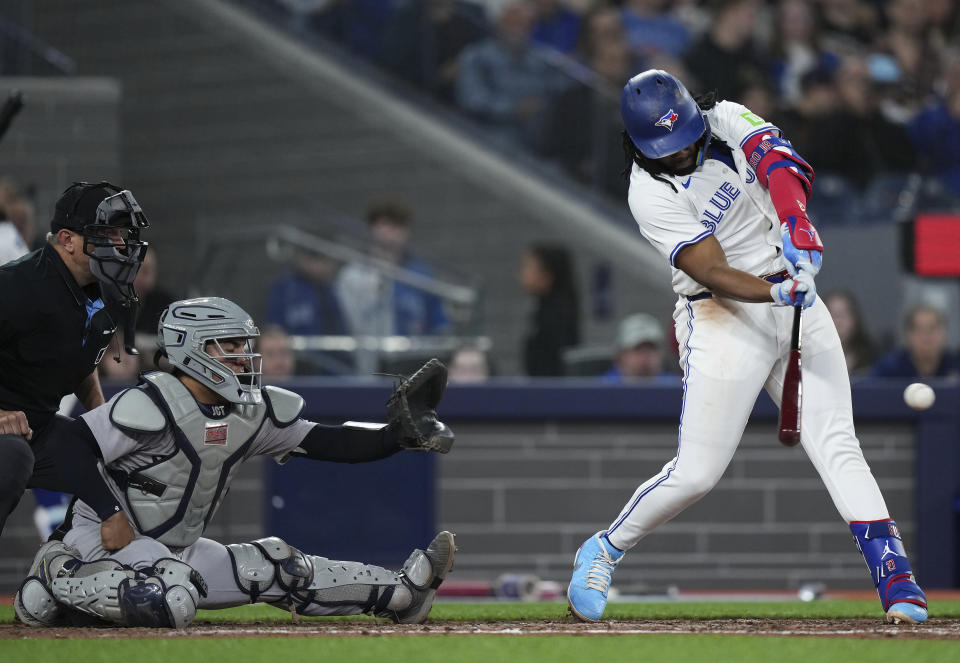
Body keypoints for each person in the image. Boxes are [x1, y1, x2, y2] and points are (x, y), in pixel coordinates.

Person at [566, 69, 927, 626]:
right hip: (722, 312)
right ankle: (604, 549)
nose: (683, 151)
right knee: (697, 473)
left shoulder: (725, 118)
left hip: (794, 295)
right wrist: (777, 289)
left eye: (686, 136)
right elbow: (712, 269)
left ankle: (896, 579)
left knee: (836, 441)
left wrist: (796, 224)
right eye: (669, 147)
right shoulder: (648, 192)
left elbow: (780, 163)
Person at [14, 297, 457, 629]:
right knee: (171, 595)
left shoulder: (252, 411)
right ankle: (58, 572)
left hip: (177, 550)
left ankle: (405, 594)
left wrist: (395, 437)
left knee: (278, 566)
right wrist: (108, 512)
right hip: (99, 541)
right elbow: (65, 448)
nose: (244, 356)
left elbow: (330, 443)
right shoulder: (149, 404)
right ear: (191, 349)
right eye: (230, 345)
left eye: (245, 344)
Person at [0, 181, 150, 551]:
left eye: (122, 232)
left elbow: (80, 358)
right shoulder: (18, 287)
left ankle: (79, 569)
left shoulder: (99, 288)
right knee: (12, 457)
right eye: (105, 233)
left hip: (37, 428)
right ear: (67, 240)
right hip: (9, 434)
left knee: (124, 457)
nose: (119, 244)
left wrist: (102, 420)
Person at [336, 201, 449, 339]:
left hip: (413, 355)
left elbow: (437, 322)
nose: (391, 232)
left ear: (406, 231)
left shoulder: (421, 274)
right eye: (386, 224)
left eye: (398, 226)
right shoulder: (352, 275)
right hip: (365, 354)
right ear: (371, 229)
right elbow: (343, 324)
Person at [519, 243, 580, 376]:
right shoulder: (540, 309)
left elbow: (556, 363)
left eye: (529, 267)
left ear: (547, 276)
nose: (523, 274)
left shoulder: (557, 316)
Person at [870, 304, 960, 378]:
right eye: (919, 330)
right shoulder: (888, 368)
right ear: (908, 335)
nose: (926, 337)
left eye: (932, 329)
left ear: (944, 332)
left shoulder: (955, 365)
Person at [601, 313, 674, 382]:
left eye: (651, 349)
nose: (646, 356)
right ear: (621, 356)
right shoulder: (600, 389)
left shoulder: (678, 388)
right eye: (638, 349)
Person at [823, 289, 876, 376]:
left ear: (855, 319)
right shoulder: (808, 359)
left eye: (842, 316)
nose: (838, 323)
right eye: (832, 315)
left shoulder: (874, 358)